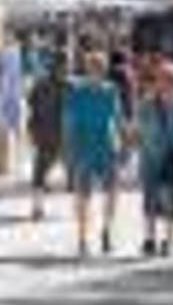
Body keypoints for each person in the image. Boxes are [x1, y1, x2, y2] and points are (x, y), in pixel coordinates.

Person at [64, 51, 123, 257]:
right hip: (85, 147)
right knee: (83, 196)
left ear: (104, 71)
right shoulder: (76, 91)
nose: (96, 73)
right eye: (92, 68)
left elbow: (117, 119)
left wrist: (122, 144)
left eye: (99, 69)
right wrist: (69, 151)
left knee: (111, 192)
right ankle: (82, 238)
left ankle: (106, 231)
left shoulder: (111, 90)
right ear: (87, 69)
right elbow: (69, 123)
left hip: (106, 146)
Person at [137, 62, 173, 257]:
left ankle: (168, 241)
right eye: (161, 79)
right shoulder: (146, 103)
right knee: (150, 200)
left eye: (169, 80)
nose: (165, 83)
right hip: (150, 159)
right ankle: (149, 239)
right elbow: (139, 129)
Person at [28, 53, 67, 221]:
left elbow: (32, 106)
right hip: (55, 133)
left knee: (40, 171)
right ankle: (37, 207)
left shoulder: (41, 84)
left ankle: (38, 206)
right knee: (41, 171)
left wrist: (32, 129)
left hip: (47, 132)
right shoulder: (67, 86)